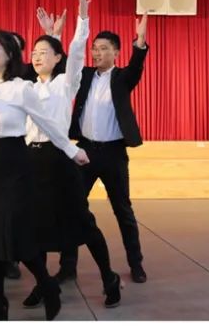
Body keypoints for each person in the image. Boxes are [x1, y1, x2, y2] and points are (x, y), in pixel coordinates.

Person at [0, 30, 78, 320]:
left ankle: (47, 285)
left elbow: (47, 123)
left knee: (16, 233)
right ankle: (0, 305)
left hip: (15, 163)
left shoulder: (22, 88)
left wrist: (72, 150)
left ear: (10, 54)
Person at [25, 0, 121, 309]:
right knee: (36, 226)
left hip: (60, 159)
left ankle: (109, 277)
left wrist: (82, 19)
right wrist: (49, 36)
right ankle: (44, 284)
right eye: (34, 53)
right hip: (32, 161)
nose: (37, 57)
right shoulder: (28, 87)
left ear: (58, 58)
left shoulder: (65, 83)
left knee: (82, 223)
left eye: (44, 53)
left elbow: (77, 50)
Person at [66, 15, 150, 283]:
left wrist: (140, 41)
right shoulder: (84, 76)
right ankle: (68, 266)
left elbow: (136, 65)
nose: (97, 53)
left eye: (103, 48)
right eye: (94, 48)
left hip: (113, 153)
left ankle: (136, 264)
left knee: (123, 210)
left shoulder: (122, 78)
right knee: (72, 207)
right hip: (85, 151)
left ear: (116, 52)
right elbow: (68, 63)